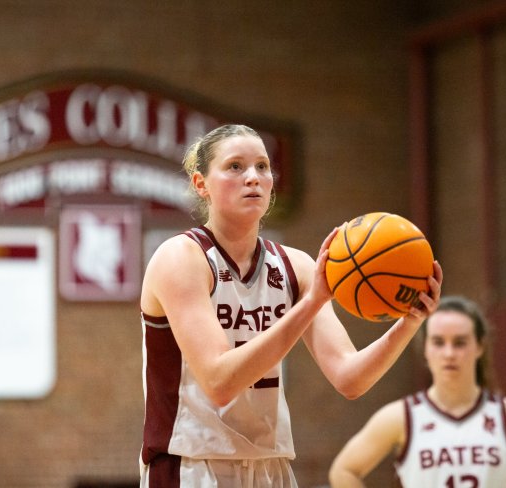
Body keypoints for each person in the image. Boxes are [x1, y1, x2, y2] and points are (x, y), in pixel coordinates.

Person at [139, 124, 443, 487]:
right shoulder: (181, 257)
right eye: (235, 166)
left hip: (271, 467)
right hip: (190, 465)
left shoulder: (296, 266)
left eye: (263, 166)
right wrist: (312, 302)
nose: (253, 177)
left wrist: (409, 321)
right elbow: (219, 382)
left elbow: (350, 378)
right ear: (201, 184)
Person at [329, 295, 506, 488]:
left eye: (460, 342)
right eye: (438, 342)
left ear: (479, 346)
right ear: (425, 349)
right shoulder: (401, 417)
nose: (449, 353)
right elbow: (343, 471)